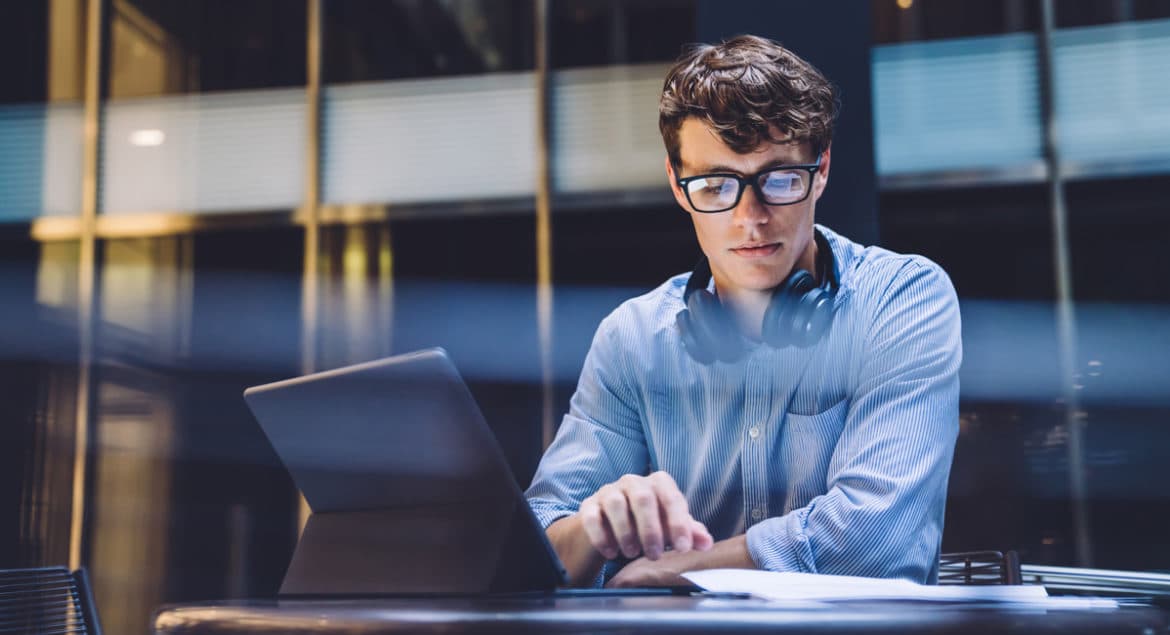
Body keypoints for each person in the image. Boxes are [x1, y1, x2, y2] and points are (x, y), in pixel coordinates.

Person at [525, 35, 961, 588]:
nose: (749, 218)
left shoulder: (902, 300)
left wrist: (668, 571)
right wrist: (593, 526)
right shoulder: (632, 339)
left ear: (821, 168)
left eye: (778, 179)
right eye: (714, 185)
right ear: (678, 187)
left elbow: (873, 540)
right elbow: (537, 544)